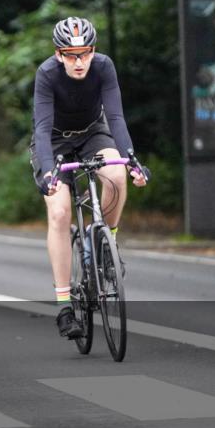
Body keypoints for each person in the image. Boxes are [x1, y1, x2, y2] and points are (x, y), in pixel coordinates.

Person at [29, 18, 148, 339]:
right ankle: (65, 306)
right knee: (59, 212)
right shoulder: (47, 74)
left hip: (94, 133)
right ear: (58, 54)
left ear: (93, 51)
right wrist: (48, 171)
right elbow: (40, 128)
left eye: (85, 53)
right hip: (54, 141)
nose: (79, 62)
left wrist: (132, 158)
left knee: (117, 173)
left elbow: (116, 116)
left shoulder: (104, 67)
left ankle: (107, 243)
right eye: (70, 55)